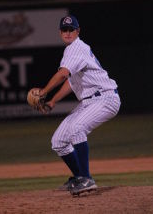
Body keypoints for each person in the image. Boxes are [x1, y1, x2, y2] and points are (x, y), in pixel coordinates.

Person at [39, 14, 121, 195]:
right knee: (59, 141)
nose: (68, 33)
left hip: (105, 98)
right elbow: (70, 81)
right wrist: (53, 101)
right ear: (60, 32)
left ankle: (86, 178)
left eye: (71, 29)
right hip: (90, 101)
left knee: (77, 128)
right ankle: (79, 177)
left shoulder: (76, 48)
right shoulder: (73, 51)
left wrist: (44, 91)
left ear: (78, 31)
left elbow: (62, 74)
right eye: (64, 30)